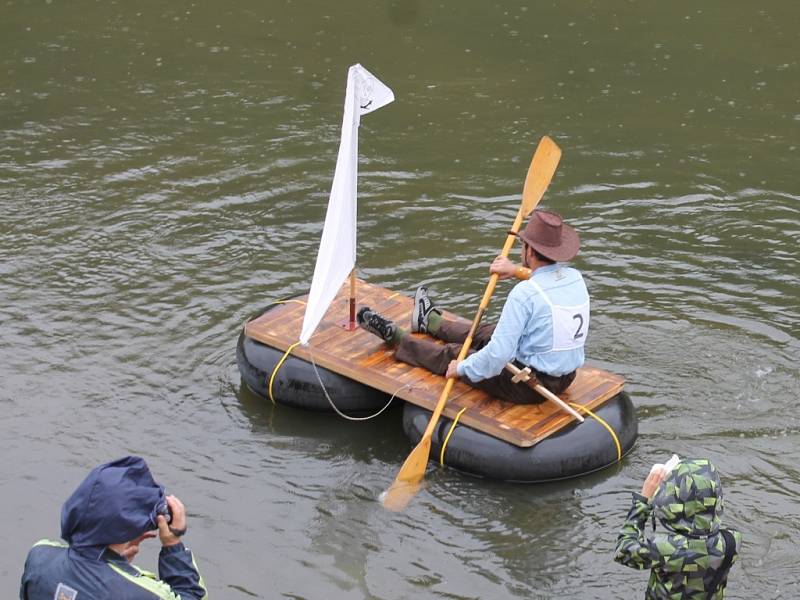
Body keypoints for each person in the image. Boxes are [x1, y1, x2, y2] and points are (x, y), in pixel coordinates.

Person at [357, 209, 589, 404]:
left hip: (529, 385)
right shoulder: (574, 277)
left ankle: (397, 338)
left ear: (528, 250)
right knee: (487, 331)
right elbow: (544, 283)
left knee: (457, 354)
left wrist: (462, 368)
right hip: (566, 377)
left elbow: (498, 356)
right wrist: (515, 270)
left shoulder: (524, 294)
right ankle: (429, 321)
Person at [20, 456, 207, 600]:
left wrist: (115, 563)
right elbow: (192, 595)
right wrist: (173, 544)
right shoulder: (140, 593)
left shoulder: (39, 556)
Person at [614, 458, 742, 599]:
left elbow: (623, 550)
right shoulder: (733, 539)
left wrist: (643, 501)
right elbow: (704, 530)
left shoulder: (666, 549)